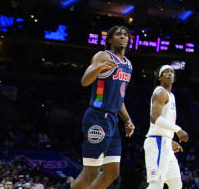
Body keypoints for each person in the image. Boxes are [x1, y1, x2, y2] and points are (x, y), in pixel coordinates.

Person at [70, 25, 135, 189]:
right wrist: (99, 67)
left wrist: (127, 119)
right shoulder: (103, 55)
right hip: (97, 116)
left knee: (112, 172)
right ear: (110, 40)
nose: (123, 37)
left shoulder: (128, 65)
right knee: (91, 171)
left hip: (112, 118)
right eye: (118, 35)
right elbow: (85, 81)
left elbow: (119, 98)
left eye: (125, 35)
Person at [144, 65, 189, 189]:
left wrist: (169, 139)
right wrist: (178, 130)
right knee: (156, 184)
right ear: (159, 77)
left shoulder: (171, 95)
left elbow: (164, 120)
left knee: (176, 184)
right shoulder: (160, 92)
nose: (170, 73)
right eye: (166, 72)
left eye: (172, 72)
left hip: (165, 143)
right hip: (157, 143)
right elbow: (154, 118)